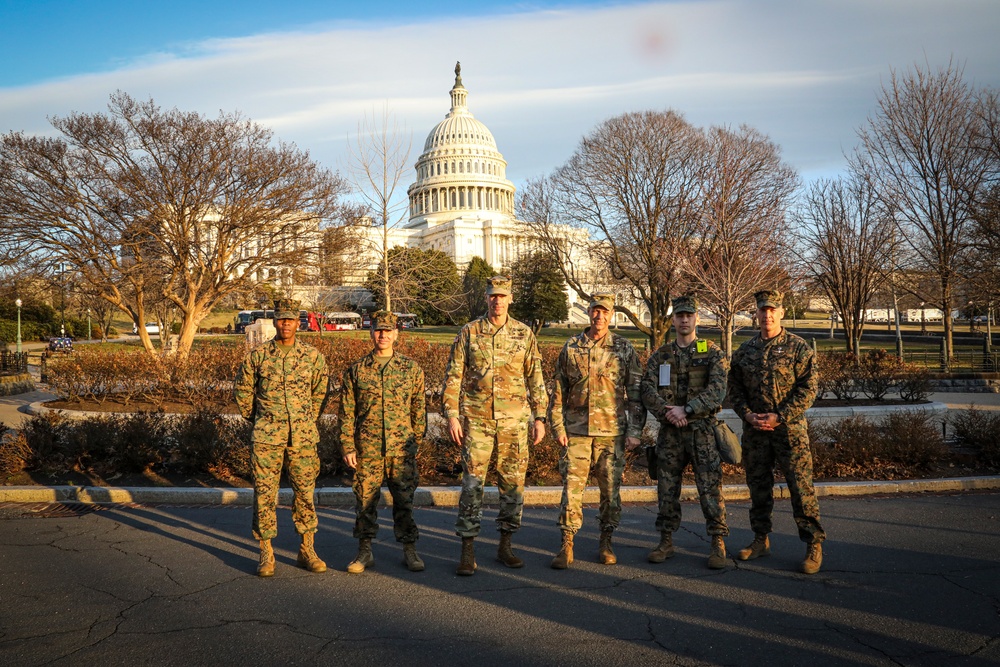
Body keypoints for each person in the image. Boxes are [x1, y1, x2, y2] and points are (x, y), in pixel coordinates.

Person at [443, 275, 548, 576]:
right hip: (477, 423)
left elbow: (536, 378)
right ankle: (467, 548)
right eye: (492, 296)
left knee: (512, 486)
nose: (497, 301)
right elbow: (454, 376)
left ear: (510, 298)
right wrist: (451, 414)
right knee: (472, 486)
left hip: (514, 422)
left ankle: (505, 545)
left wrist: (539, 418)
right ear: (486, 298)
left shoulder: (523, 334)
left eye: (502, 296)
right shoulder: (470, 332)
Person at [729, 289, 825, 574]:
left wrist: (780, 416)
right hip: (755, 431)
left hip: (789, 432)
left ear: (782, 312)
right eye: (762, 310)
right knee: (758, 488)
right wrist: (746, 414)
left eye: (772, 310)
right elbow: (734, 389)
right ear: (756, 313)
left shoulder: (799, 349)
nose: (767, 315)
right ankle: (760, 539)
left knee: (801, 488)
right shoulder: (745, 351)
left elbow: (808, 389)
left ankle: (814, 544)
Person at [548, 293, 645, 569]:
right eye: (595, 311)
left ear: (611, 314)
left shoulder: (623, 349)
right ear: (588, 313)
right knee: (571, 489)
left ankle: (606, 540)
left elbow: (635, 393)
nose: (599, 316)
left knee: (610, 491)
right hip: (576, 432)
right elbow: (558, 391)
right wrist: (557, 426)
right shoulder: (571, 347)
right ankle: (567, 544)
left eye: (604, 312)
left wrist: (634, 430)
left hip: (611, 433)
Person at [234, 298, 329, 577]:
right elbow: (243, 392)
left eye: (291, 319)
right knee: (264, 494)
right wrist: (262, 419)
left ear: (298, 322)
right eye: (281, 319)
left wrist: (306, 419)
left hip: (302, 436)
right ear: (275, 321)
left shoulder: (312, 357)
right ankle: (266, 552)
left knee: (305, 493)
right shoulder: (259, 356)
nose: (286, 324)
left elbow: (320, 392)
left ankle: (307, 549)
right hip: (266, 437)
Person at [640, 295, 730, 569]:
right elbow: (646, 388)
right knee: (667, 488)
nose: (684, 319)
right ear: (673, 319)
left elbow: (718, 390)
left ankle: (717, 542)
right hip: (670, 434)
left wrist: (687, 410)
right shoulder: (662, 354)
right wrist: (668, 412)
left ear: (696, 318)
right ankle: (665, 540)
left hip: (702, 431)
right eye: (679, 315)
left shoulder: (711, 352)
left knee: (710, 488)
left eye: (689, 315)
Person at [337, 310, 426, 574]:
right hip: (368, 449)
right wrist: (348, 446)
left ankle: (410, 549)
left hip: (402, 449)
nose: (383, 335)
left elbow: (418, 409)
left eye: (388, 330)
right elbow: (346, 412)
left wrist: (415, 442)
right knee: (365, 502)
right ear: (371, 332)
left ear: (397, 334)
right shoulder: (357, 370)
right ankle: (364, 551)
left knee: (404, 501)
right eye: (378, 330)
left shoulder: (410, 369)